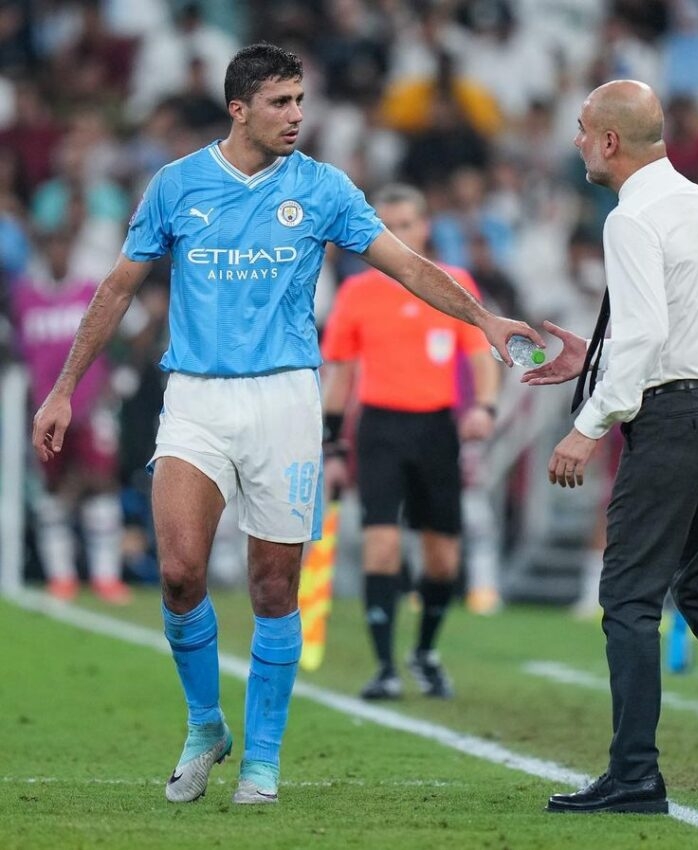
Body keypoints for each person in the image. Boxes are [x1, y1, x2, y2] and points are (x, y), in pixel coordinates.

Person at [30, 42, 539, 806]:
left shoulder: (324, 189)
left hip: (284, 401)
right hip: (196, 397)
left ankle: (261, 759)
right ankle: (207, 724)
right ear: (239, 108)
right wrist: (65, 386)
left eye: (300, 101)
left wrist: (485, 319)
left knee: (274, 586)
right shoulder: (177, 185)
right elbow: (118, 287)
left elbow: (404, 264)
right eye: (280, 103)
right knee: (178, 573)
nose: (296, 115)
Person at [526, 79, 698, 815]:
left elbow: (650, 337)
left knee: (627, 596)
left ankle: (635, 774)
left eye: (584, 129)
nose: (578, 140)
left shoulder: (629, 218)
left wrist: (586, 428)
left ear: (610, 141)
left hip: (676, 417)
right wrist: (596, 355)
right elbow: (678, 324)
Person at [320, 183, 501, 700]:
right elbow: (341, 374)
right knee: (380, 545)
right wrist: (333, 447)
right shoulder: (356, 293)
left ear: (425, 227)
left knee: (442, 559)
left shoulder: (454, 284)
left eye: (406, 224)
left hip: (435, 430)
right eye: (388, 225)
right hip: (379, 429)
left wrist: (484, 409)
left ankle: (424, 651)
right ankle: (383, 666)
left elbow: (480, 355)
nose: (398, 234)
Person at [11, 224, 130, 604]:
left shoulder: (90, 291)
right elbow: (18, 349)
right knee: (52, 492)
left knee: (100, 486)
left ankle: (105, 577)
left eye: (65, 245)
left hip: (91, 407)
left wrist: (119, 376)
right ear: (44, 252)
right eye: (53, 246)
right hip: (45, 410)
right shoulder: (25, 298)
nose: (59, 254)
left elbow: (133, 330)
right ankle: (60, 577)